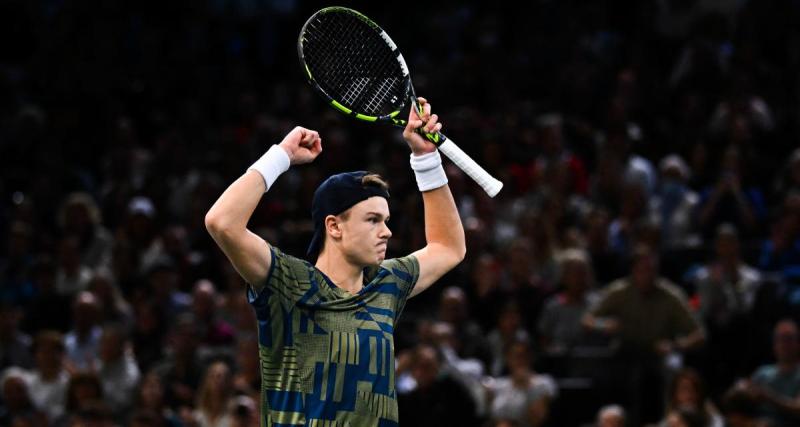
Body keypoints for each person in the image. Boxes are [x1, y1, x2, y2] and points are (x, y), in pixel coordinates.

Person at [205, 98, 465, 426]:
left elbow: (448, 247)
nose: (386, 232)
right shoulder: (287, 282)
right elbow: (221, 222)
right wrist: (281, 155)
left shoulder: (387, 284)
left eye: (386, 220)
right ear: (334, 226)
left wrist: (426, 159)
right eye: (372, 220)